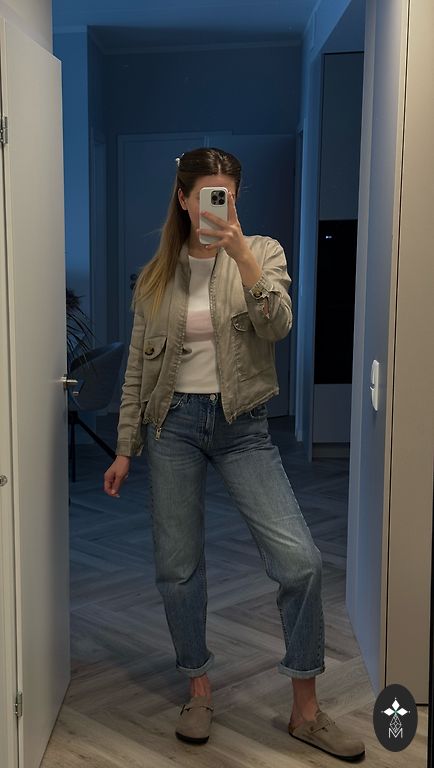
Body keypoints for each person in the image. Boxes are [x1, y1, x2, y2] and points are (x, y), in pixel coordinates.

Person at [103, 147, 365, 762]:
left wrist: (241, 253)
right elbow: (138, 371)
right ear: (183, 198)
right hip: (172, 427)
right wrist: (123, 448)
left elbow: (278, 325)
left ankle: (306, 710)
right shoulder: (156, 275)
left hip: (243, 426)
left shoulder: (263, 252)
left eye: (228, 195)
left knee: (301, 562)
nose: (217, 205)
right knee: (178, 567)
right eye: (206, 195)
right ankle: (198, 688)